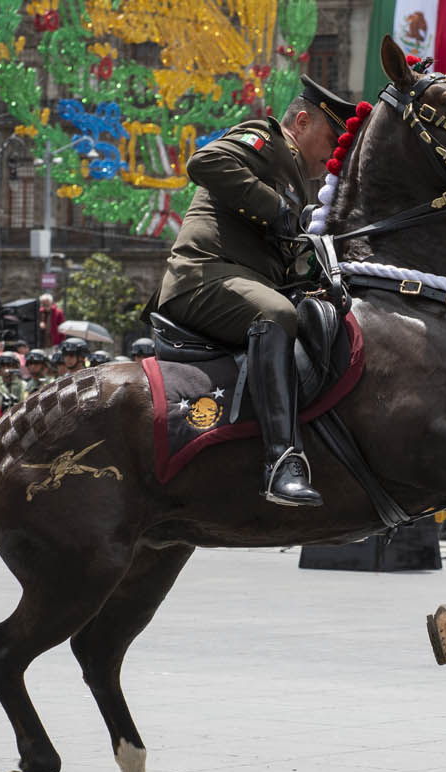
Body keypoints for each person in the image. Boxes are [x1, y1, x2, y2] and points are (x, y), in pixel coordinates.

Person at [154, 76, 358, 507]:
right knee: (276, 314)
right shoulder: (265, 140)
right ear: (301, 121)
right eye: (332, 135)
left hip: (243, 282)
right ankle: (281, 461)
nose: (336, 149)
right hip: (205, 275)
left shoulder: (303, 183)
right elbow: (204, 162)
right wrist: (279, 211)